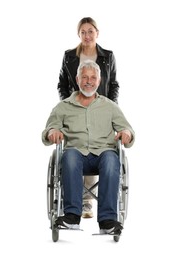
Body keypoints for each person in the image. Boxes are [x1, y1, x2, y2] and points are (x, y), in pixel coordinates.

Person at [42, 60, 135, 235]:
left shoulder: (110, 106)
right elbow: (48, 130)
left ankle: (107, 221)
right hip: (75, 156)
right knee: (69, 156)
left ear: (99, 81)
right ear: (77, 79)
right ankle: (71, 216)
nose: (89, 81)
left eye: (93, 78)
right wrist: (52, 131)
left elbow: (127, 129)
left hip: (103, 155)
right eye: (84, 77)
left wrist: (126, 133)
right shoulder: (63, 107)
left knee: (110, 158)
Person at [57, 17, 120, 218]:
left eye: (90, 31)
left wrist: (109, 109)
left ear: (97, 33)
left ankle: (100, 212)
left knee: (99, 145)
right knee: (79, 145)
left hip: (101, 108)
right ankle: (79, 206)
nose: (87, 35)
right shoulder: (69, 56)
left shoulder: (107, 56)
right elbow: (62, 84)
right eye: (83, 31)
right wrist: (69, 105)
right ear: (78, 34)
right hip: (76, 108)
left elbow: (113, 85)